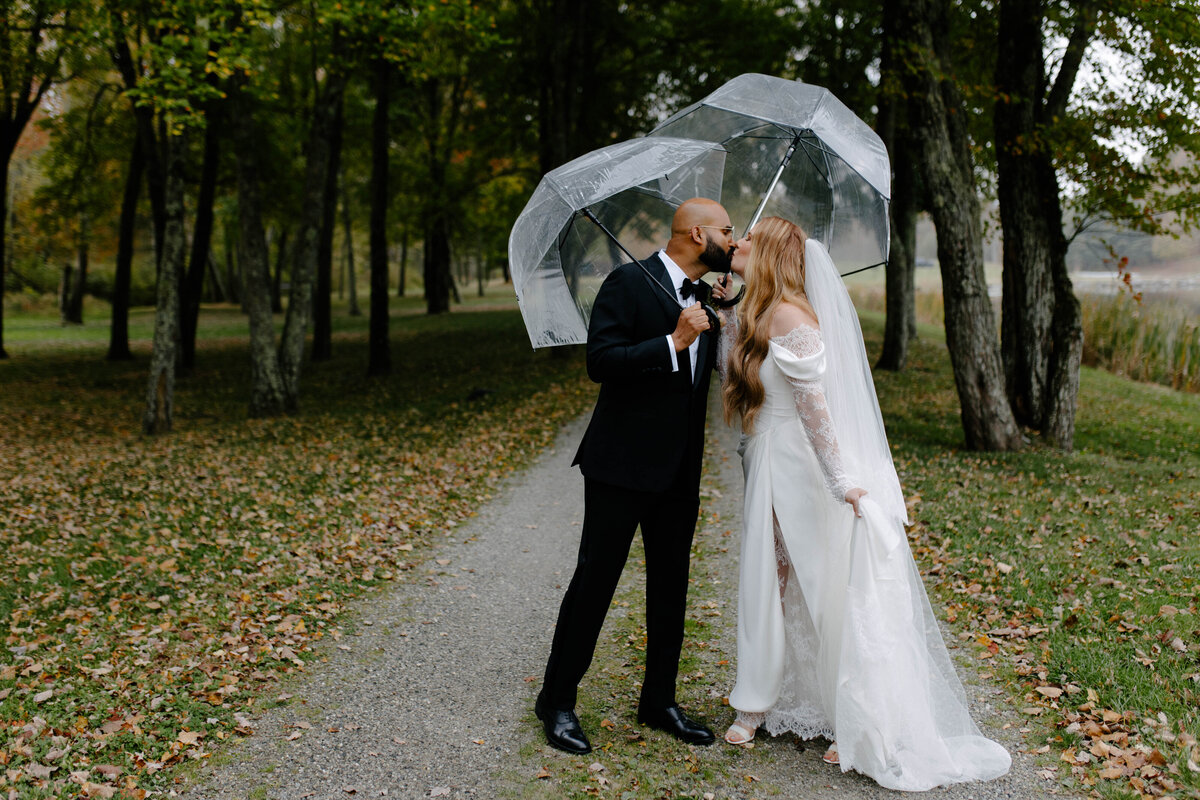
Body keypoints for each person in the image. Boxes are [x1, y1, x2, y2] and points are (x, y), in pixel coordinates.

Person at [711, 217, 1011, 791]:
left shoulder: (794, 316)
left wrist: (840, 480)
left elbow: (815, 409)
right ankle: (754, 701)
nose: (736, 243)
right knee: (767, 580)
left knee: (827, 586)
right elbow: (737, 375)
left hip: (803, 469)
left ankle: (861, 717)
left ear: (770, 251)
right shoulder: (758, 310)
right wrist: (727, 315)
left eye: (747, 237)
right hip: (766, 460)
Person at [535, 198, 737, 755]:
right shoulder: (628, 282)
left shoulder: (705, 295)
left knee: (671, 586)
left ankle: (658, 701)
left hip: (679, 471)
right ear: (698, 234)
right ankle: (556, 700)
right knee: (595, 582)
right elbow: (600, 361)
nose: (733, 238)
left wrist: (724, 313)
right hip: (620, 466)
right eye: (726, 230)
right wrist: (671, 342)